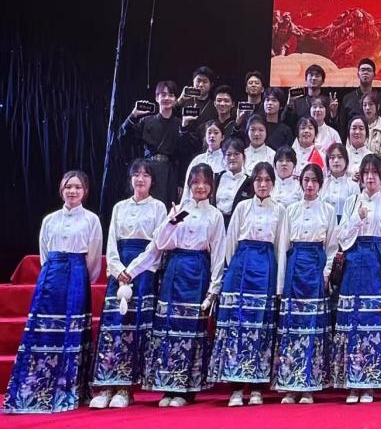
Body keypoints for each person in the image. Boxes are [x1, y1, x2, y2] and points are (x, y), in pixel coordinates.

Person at [3, 171, 102, 414]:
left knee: (71, 332)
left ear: (85, 191)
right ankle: (36, 387)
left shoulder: (91, 220)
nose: (72, 191)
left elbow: (93, 259)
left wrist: (81, 278)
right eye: (68, 187)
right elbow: (45, 253)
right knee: (42, 330)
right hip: (50, 277)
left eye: (77, 187)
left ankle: (69, 388)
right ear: (61, 190)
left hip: (77, 276)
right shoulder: (50, 220)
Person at [143, 164, 226, 407]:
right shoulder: (180, 210)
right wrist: (171, 221)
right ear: (189, 184)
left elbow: (218, 252)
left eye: (205, 183)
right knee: (169, 325)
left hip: (198, 270)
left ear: (211, 186)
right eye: (196, 182)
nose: (200, 187)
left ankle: (186, 388)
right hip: (175, 267)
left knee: (191, 328)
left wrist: (214, 288)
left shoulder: (215, 215)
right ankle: (166, 385)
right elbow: (160, 242)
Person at [208, 162, 288, 406]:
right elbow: (230, 243)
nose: (262, 185)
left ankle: (256, 387)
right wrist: (233, 270)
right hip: (241, 268)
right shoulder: (242, 207)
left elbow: (281, 247)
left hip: (265, 269)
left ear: (273, 183)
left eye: (267, 180)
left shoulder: (280, 210)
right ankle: (235, 387)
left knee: (260, 328)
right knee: (237, 326)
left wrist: (279, 285)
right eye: (258, 180)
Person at [89, 161, 167, 408]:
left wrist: (132, 270)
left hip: (142, 272)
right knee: (113, 326)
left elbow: (157, 245)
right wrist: (117, 269)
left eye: (145, 175)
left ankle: (126, 387)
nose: (140, 179)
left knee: (134, 327)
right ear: (130, 178)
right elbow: (111, 241)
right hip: (119, 270)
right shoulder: (119, 207)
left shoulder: (158, 207)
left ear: (152, 180)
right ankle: (106, 384)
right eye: (136, 174)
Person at [330, 154, 381, 403]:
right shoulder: (351, 202)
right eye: (366, 173)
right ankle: (352, 381)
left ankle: (369, 383)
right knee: (352, 321)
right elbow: (341, 237)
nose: (370, 178)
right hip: (353, 265)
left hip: (376, 264)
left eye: (375, 173)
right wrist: (357, 219)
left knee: (372, 321)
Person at [274, 164, 338, 404]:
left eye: (314, 181)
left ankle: (310, 383)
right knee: (292, 326)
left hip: (315, 267)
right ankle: (290, 385)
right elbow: (283, 247)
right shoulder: (290, 210)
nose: (310, 185)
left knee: (312, 327)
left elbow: (332, 247)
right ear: (300, 182)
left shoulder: (328, 210)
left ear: (320, 184)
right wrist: (281, 284)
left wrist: (326, 272)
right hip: (295, 266)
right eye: (306, 180)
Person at [120, 80, 192, 207]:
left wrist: (181, 182)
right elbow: (123, 137)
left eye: (171, 95)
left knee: (167, 208)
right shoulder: (146, 121)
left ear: (175, 99)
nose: (167, 98)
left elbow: (184, 154)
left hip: (170, 173)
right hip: (148, 170)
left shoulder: (180, 123)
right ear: (157, 98)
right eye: (163, 95)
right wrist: (133, 115)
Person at [213, 138, 254, 225]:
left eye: (236, 154)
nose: (232, 158)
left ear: (243, 157)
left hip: (238, 224)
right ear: (223, 158)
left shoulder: (250, 182)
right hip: (215, 223)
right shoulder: (216, 178)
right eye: (228, 154)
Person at [321, 143, 359, 221]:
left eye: (340, 157)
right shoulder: (322, 184)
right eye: (332, 157)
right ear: (328, 161)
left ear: (346, 161)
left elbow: (355, 213)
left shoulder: (353, 186)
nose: (336, 161)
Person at [184, 120, 225, 190]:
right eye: (209, 133)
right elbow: (187, 186)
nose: (212, 136)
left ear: (222, 137)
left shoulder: (226, 160)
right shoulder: (198, 160)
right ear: (205, 137)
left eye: (216, 133)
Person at [178, 66, 218, 133]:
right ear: (193, 82)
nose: (201, 85)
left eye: (205, 82)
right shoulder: (184, 101)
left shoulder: (214, 105)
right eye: (198, 81)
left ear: (211, 85)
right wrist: (180, 100)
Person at [361, 92, 381, 157]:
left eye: (371, 104)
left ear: (378, 107)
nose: (367, 108)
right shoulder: (357, 127)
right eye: (365, 105)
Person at [343, 115, 373, 182]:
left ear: (366, 133)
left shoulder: (372, 157)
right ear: (348, 133)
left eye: (361, 128)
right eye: (354, 128)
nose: (357, 132)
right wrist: (350, 178)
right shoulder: (342, 155)